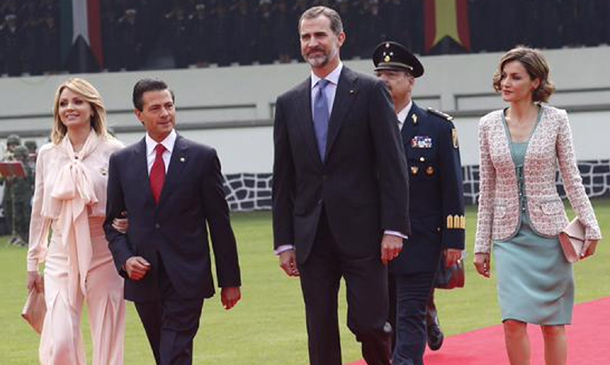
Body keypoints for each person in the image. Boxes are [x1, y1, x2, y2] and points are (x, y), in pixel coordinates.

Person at [272, 6, 410, 365]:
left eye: (320, 35)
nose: (312, 43)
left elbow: (393, 165)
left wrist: (394, 228)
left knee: (369, 324)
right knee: (319, 329)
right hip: (311, 236)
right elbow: (284, 176)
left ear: (340, 39)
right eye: (306, 37)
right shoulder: (288, 103)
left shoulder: (369, 91)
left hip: (365, 234)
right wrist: (284, 241)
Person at [473, 46, 603, 365]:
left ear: (535, 82)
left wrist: (591, 227)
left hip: (549, 238)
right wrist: (481, 246)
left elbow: (572, 177)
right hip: (508, 238)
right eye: (503, 75)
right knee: (513, 321)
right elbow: (486, 189)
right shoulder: (488, 124)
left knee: (553, 324)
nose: (506, 82)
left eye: (515, 77)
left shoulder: (557, 119)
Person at [104, 78, 242, 365]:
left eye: (169, 106)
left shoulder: (202, 158)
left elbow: (219, 223)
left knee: (172, 353)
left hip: (188, 277)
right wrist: (126, 260)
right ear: (138, 114)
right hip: (144, 278)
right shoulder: (122, 162)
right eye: (155, 108)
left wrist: (230, 280)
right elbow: (113, 225)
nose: (165, 113)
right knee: (165, 354)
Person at [373, 41, 465, 364]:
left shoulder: (436, 127)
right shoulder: (363, 126)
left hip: (421, 239)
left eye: (393, 74)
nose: (384, 79)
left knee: (410, 315)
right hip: (374, 244)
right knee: (383, 322)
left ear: (411, 81)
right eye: (379, 73)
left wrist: (454, 240)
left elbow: (452, 187)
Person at [26, 78, 126, 365]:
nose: (70, 108)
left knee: (107, 335)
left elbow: (128, 205)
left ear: (93, 108)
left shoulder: (115, 151)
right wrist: (33, 262)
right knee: (60, 342)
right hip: (60, 252)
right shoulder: (48, 154)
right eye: (63, 103)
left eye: (78, 101)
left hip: (104, 252)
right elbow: (39, 212)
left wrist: (127, 227)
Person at [10, 145, 34, 246]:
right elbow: (11, 182)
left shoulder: (29, 167)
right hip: (16, 195)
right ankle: (19, 237)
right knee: (17, 218)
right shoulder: (14, 167)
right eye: (16, 156)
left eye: (19, 156)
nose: (17, 158)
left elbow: (32, 181)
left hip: (25, 196)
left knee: (26, 217)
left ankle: (28, 238)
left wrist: (25, 173)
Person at [2, 133, 20, 238]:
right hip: (8, 190)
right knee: (8, 211)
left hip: (19, 191)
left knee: (18, 214)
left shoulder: (22, 158)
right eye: (11, 145)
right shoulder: (5, 158)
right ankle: (11, 234)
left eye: (15, 145)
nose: (13, 147)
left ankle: (19, 234)